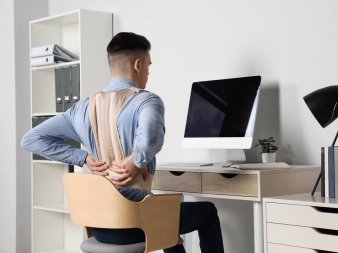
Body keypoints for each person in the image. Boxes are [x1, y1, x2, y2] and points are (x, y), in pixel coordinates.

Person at [22, 32, 224, 253]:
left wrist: (83, 158)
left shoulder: (81, 108)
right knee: (207, 213)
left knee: (166, 215)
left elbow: (31, 140)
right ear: (138, 64)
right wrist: (135, 162)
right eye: (148, 65)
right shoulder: (146, 100)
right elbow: (149, 140)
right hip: (133, 223)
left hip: (99, 223)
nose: (148, 72)